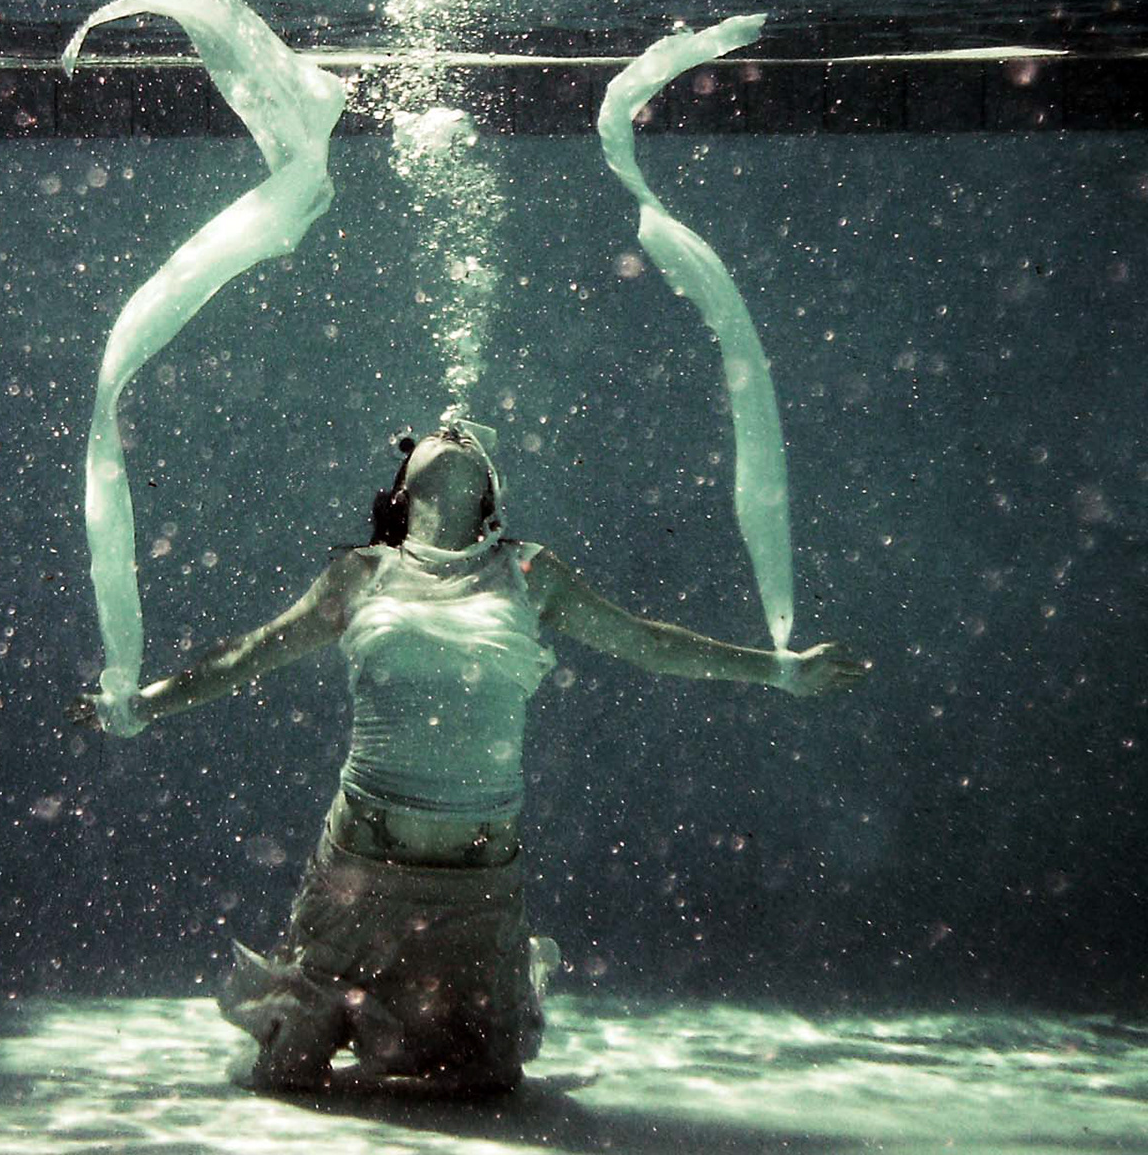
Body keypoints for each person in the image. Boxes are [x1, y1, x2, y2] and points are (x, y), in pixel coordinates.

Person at [65, 421, 865, 1094]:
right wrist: (141, 705)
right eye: (432, 433)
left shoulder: (527, 571)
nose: (448, 424)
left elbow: (651, 644)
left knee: (483, 1082)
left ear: (488, 494)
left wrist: (780, 670)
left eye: (463, 437)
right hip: (359, 875)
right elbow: (246, 656)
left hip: (477, 888)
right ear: (400, 492)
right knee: (289, 1066)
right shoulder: (360, 572)